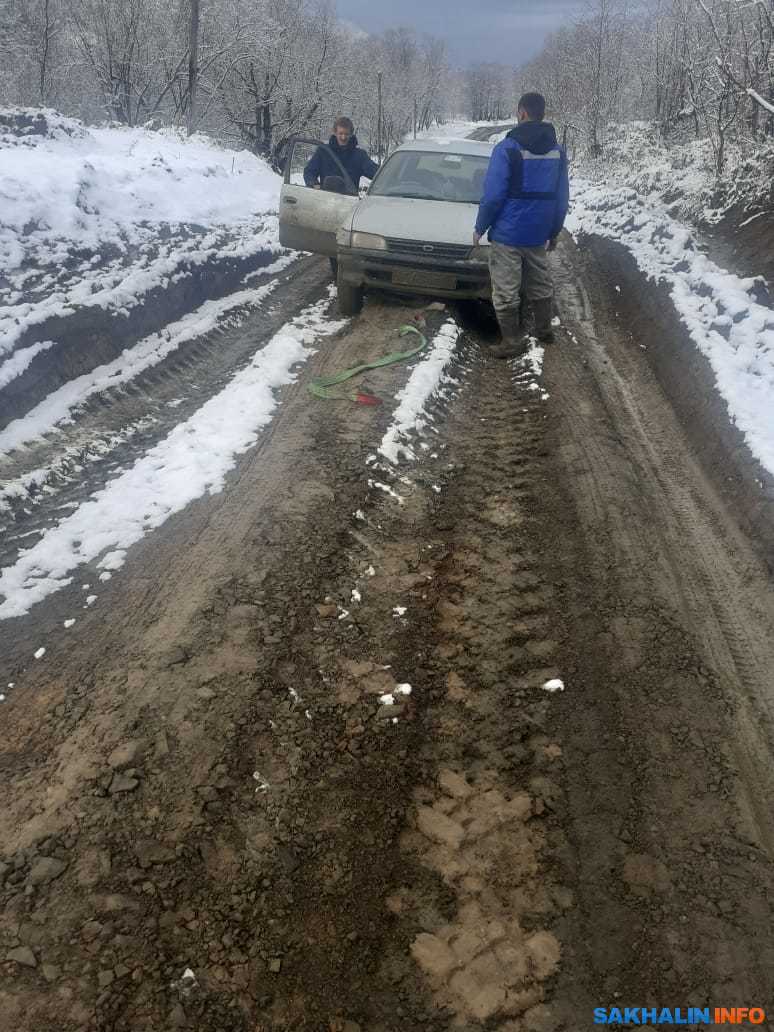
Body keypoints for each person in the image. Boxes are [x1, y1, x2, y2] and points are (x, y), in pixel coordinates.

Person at [474, 92, 569, 359]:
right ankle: (543, 330)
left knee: (505, 288)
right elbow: (562, 197)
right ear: (541, 113)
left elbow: (493, 196)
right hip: (538, 231)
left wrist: (481, 226)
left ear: (522, 113)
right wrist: (554, 230)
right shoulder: (557, 152)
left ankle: (512, 341)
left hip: (508, 232)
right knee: (540, 280)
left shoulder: (507, 149)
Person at [303, 116, 379, 192]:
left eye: (346, 134)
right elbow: (309, 172)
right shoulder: (323, 151)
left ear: (351, 134)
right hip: (325, 199)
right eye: (340, 133)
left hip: (349, 200)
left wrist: (388, 175)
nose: (343, 137)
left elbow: (376, 173)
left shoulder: (359, 155)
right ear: (335, 133)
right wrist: (313, 184)